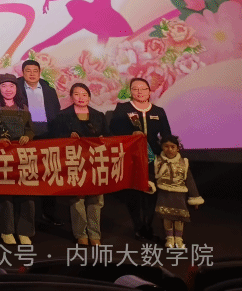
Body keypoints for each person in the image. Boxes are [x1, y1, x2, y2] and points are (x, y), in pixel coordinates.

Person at [110, 77, 172, 241]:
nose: (139, 92)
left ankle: (148, 225)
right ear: (130, 91)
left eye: (143, 89)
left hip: (152, 156)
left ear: (149, 91)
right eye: (135, 89)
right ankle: (138, 226)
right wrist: (131, 134)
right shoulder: (123, 109)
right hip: (131, 155)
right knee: (134, 193)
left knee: (151, 191)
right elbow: (113, 129)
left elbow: (166, 134)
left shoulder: (158, 111)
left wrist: (169, 150)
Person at [0, 73, 35, 245]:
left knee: (26, 193)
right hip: (1, 157)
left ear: (16, 88)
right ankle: (6, 230)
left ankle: (24, 231)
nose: (8, 89)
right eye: (4, 86)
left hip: (21, 157)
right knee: (4, 194)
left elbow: (30, 129)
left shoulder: (23, 107)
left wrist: (28, 136)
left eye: (11, 86)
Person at [53, 82, 108, 245]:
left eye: (84, 94)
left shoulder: (99, 115)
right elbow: (54, 138)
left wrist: (104, 139)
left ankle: (95, 233)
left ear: (89, 97)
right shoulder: (63, 115)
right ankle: (80, 233)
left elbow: (109, 136)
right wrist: (68, 137)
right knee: (77, 200)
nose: (81, 98)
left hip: (95, 162)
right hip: (74, 162)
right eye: (77, 94)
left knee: (96, 199)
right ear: (71, 97)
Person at [18, 59, 63, 227]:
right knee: (26, 175)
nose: (32, 74)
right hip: (25, 137)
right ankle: (26, 215)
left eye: (35, 71)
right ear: (22, 73)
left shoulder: (48, 90)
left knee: (49, 174)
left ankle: (49, 212)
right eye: (28, 71)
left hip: (47, 135)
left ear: (39, 72)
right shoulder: (16, 89)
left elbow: (56, 111)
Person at [152, 135, 203, 249]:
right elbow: (152, 177)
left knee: (179, 217)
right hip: (164, 194)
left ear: (177, 148)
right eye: (166, 146)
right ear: (162, 147)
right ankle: (169, 238)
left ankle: (179, 239)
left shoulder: (184, 162)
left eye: (172, 147)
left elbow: (189, 181)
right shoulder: (157, 161)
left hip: (179, 195)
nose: (169, 149)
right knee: (167, 216)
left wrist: (195, 198)